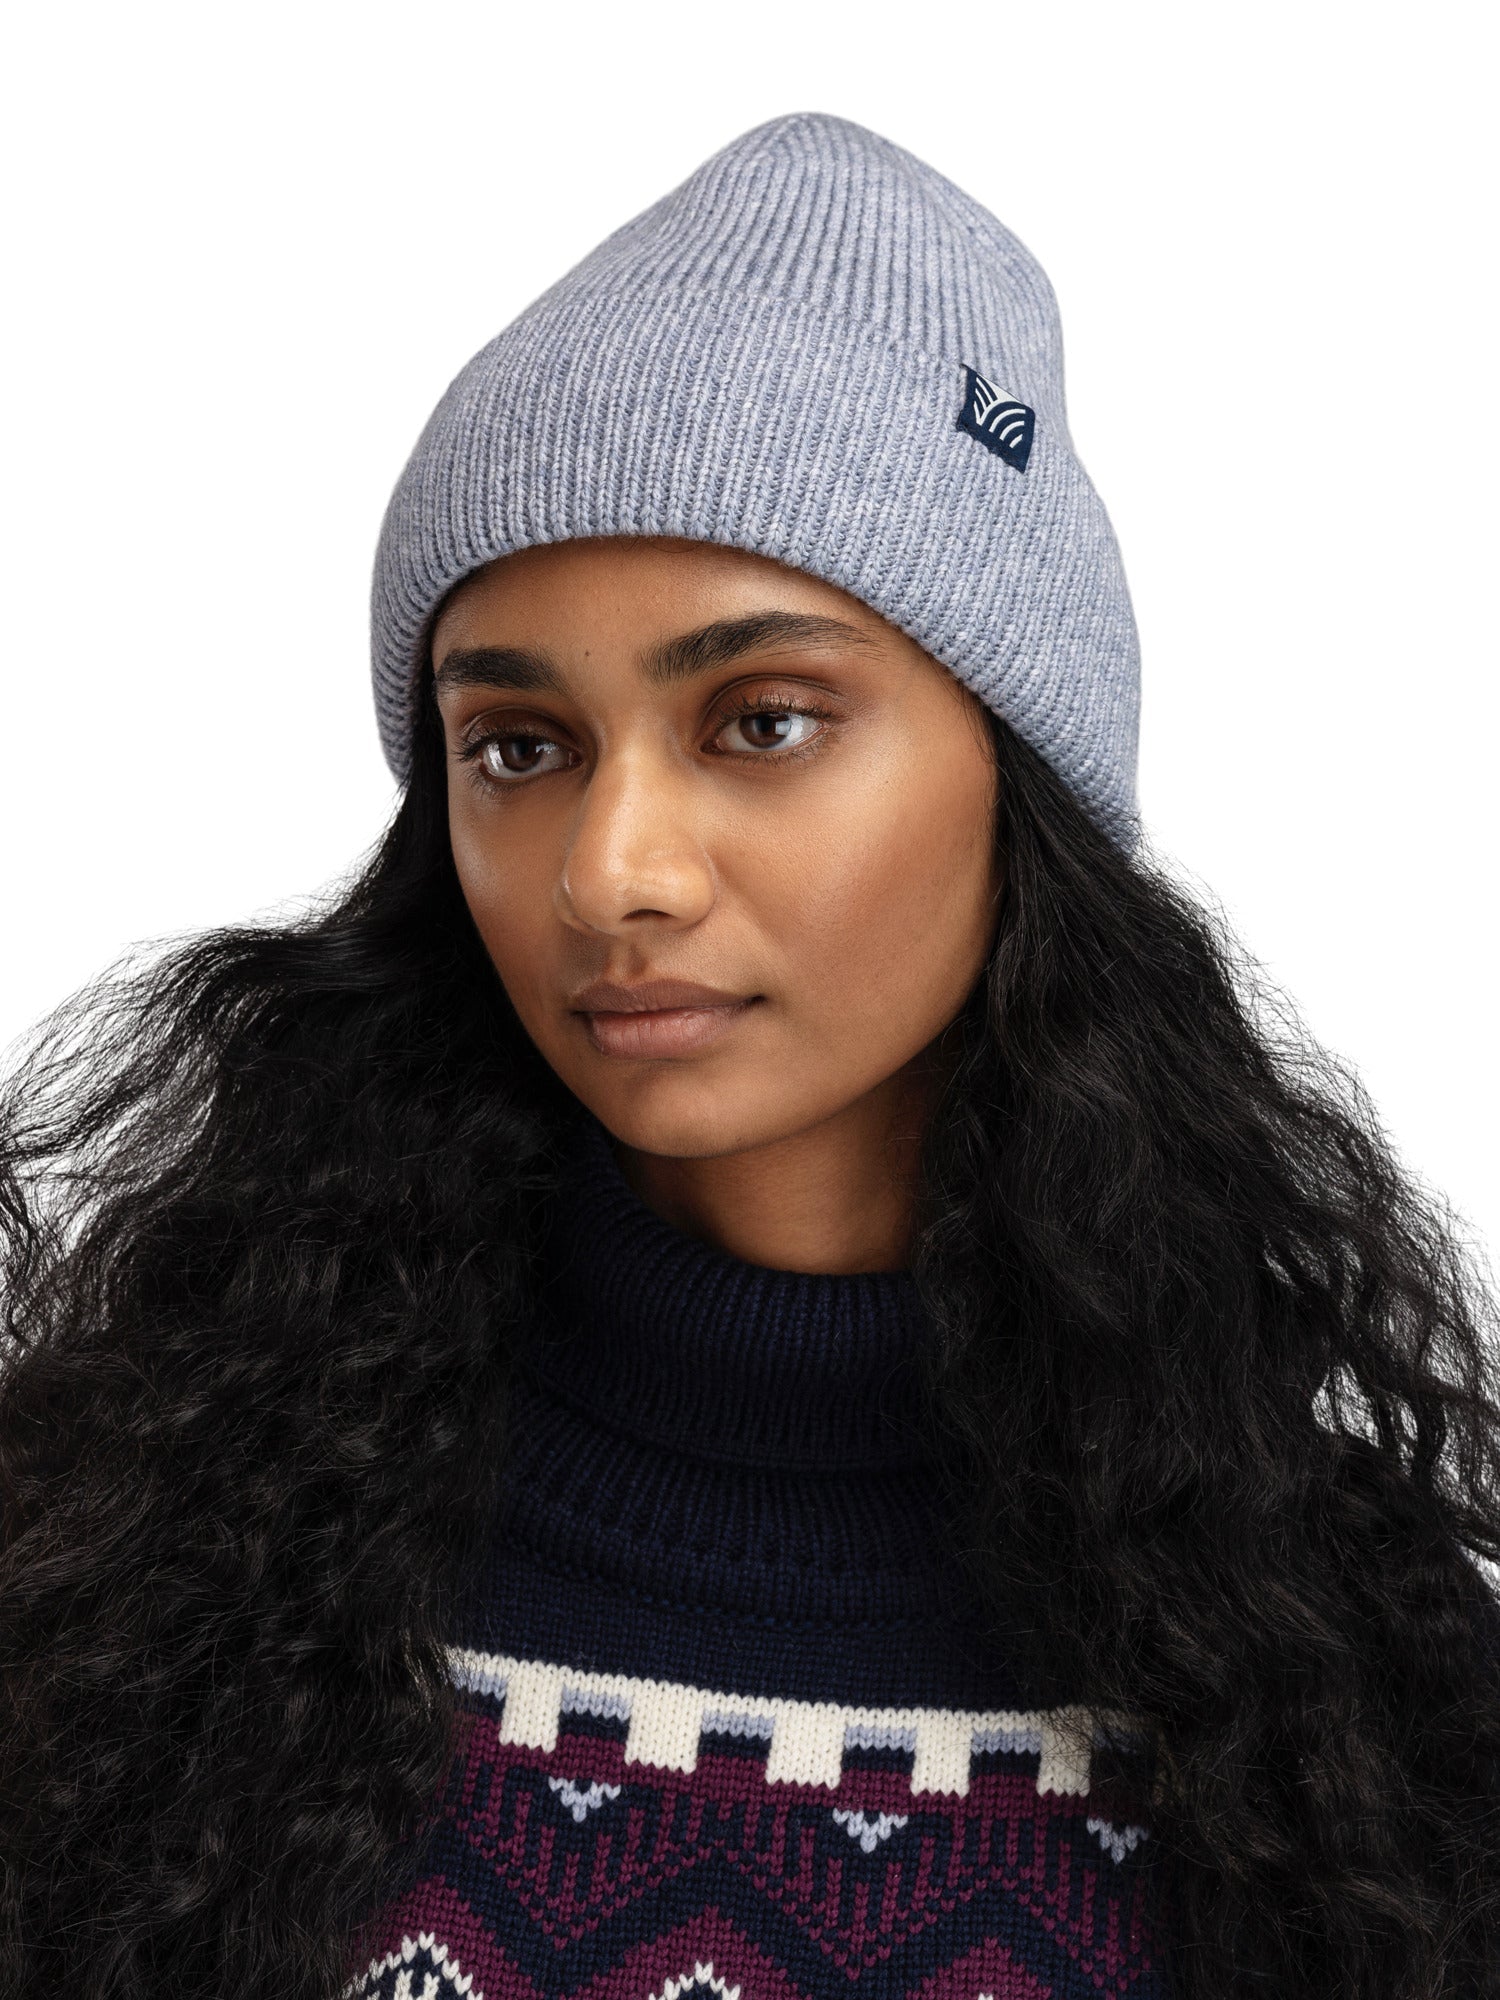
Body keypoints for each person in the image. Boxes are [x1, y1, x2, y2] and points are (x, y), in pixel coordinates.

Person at [1, 113, 1497, 2000]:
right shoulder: (121, 1571)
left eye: (764, 722)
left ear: (1017, 785)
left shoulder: (1354, 1691)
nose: (609, 872)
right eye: (517, 748)